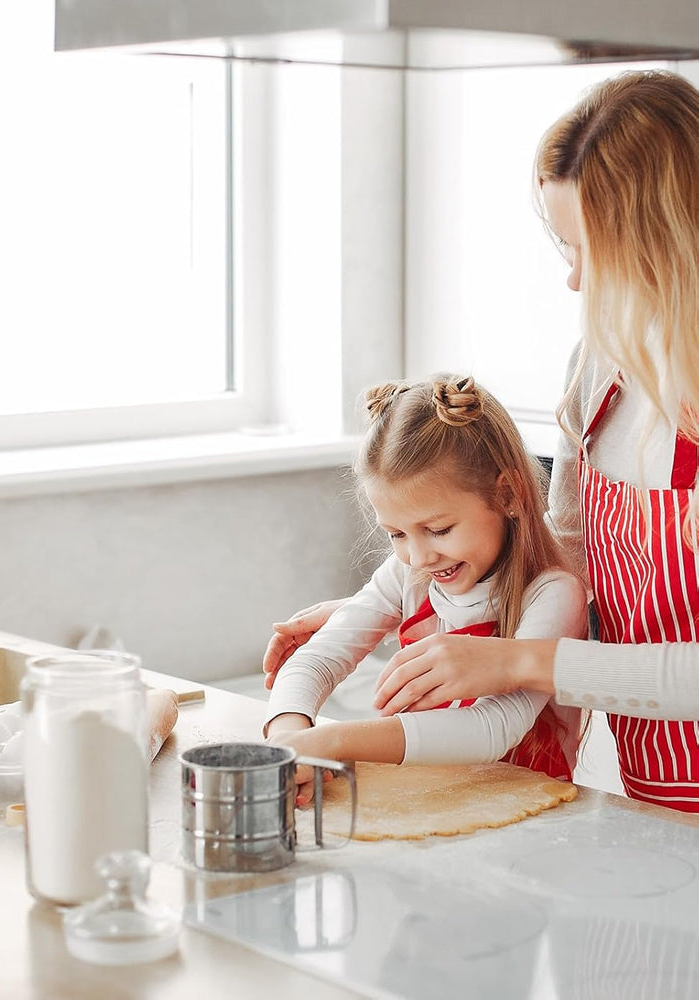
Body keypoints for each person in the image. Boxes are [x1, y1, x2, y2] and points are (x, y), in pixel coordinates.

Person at [264, 68, 699, 813]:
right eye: (564, 246)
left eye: (589, 250)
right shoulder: (600, 371)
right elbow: (570, 563)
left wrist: (517, 657)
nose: (573, 281)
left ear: (665, 240)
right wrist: (413, 603)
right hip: (650, 784)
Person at [264, 372, 588, 802]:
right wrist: (291, 738)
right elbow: (317, 659)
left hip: (525, 809)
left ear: (508, 495)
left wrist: (333, 742)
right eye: (396, 534)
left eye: (438, 529)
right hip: (420, 798)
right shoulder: (408, 577)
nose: (418, 557)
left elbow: (495, 728)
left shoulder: (552, 596)